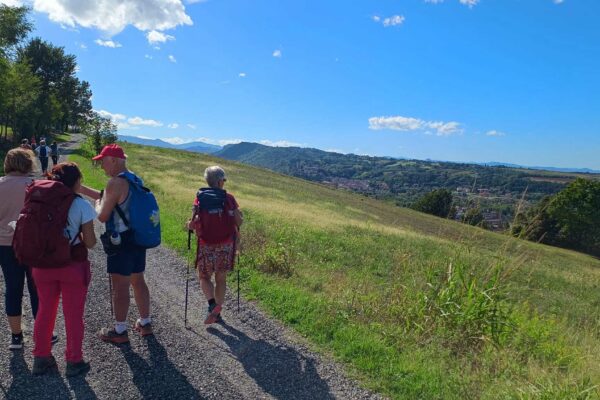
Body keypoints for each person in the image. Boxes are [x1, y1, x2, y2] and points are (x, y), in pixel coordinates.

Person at [78, 144, 153, 343]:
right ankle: (145, 323)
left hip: (121, 243)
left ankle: (120, 331)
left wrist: (95, 205)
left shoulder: (114, 182)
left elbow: (102, 215)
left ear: (113, 160)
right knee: (139, 281)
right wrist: (83, 189)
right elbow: (111, 198)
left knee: (120, 286)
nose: (102, 166)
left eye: (103, 161)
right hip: (137, 239)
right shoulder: (134, 178)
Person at [30, 162, 96, 377]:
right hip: (72, 266)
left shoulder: (39, 199)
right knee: (73, 315)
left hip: (42, 264)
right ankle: (74, 361)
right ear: (75, 181)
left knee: (45, 310)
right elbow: (91, 242)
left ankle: (41, 358)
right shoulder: (81, 204)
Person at [187, 166, 242, 324]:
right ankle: (217, 310)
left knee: (204, 277)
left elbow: (192, 224)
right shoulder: (229, 198)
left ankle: (212, 305)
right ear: (219, 182)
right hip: (226, 244)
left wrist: (189, 225)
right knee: (221, 279)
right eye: (224, 180)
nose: (224, 183)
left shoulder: (200, 198)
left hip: (205, 244)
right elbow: (238, 221)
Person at [0, 148, 39, 350]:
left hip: (5, 245)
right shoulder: (35, 186)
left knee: (13, 288)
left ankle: (16, 336)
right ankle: (43, 333)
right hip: (33, 245)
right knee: (36, 288)